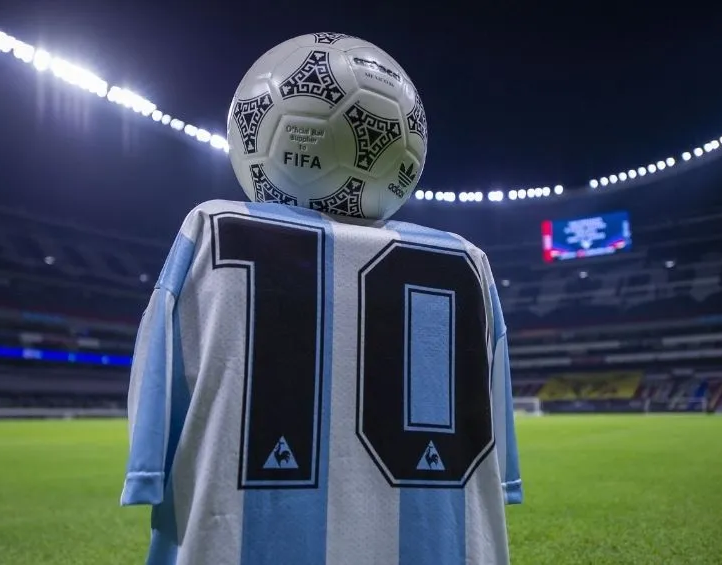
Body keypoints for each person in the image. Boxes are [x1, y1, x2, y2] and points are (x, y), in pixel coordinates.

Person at [120, 199, 522, 565]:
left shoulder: (214, 223)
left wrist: (147, 465)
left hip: (244, 536)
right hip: (438, 542)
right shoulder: (469, 258)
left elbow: (162, 349)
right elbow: (493, 393)